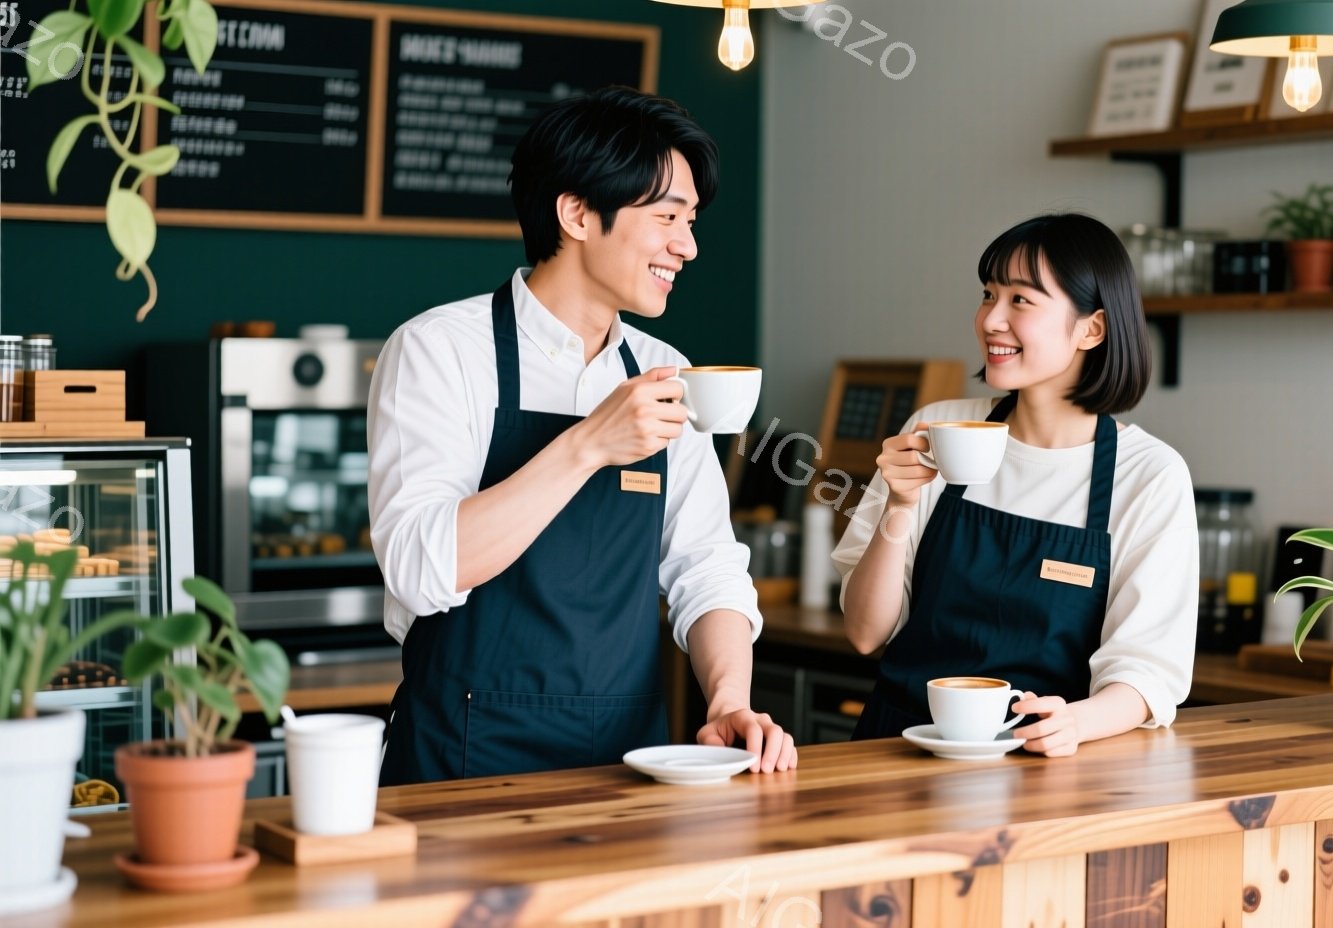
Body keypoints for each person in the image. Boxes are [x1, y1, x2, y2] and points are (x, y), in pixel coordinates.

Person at [369, 87, 797, 786]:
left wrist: (729, 700)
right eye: (666, 217)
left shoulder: (667, 370)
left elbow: (706, 566)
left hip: (628, 759)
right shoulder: (438, 350)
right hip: (464, 755)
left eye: (690, 221)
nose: (686, 246)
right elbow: (421, 569)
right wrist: (588, 445)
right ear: (575, 213)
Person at [833, 213, 1199, 755]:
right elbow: (865, 632)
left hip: (1040, 762)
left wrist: (1076, 722)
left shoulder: (1148, 474)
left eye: (1021, 300)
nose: (990, 319)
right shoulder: (937, 430)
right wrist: (900, 505)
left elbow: (1147, 674)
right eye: (988, 294)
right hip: (898, 749)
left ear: (1091, 328)